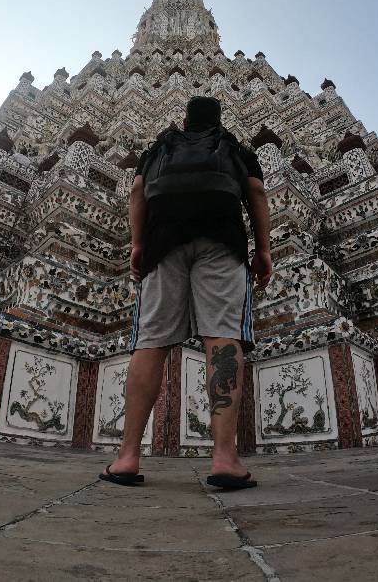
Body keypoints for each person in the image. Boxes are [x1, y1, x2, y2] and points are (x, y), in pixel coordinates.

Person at [99, 96, 272, 490]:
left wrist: (137, 245)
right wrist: (263, 250)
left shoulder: (160, 148)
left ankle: (127, 458)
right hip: (222, 242)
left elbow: (137, 193)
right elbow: (257, 195)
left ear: (185, 120)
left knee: (150, 343)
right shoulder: (236, 148)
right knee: (223, 337)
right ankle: (225, 458)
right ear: (219, 120)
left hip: (163, 244)